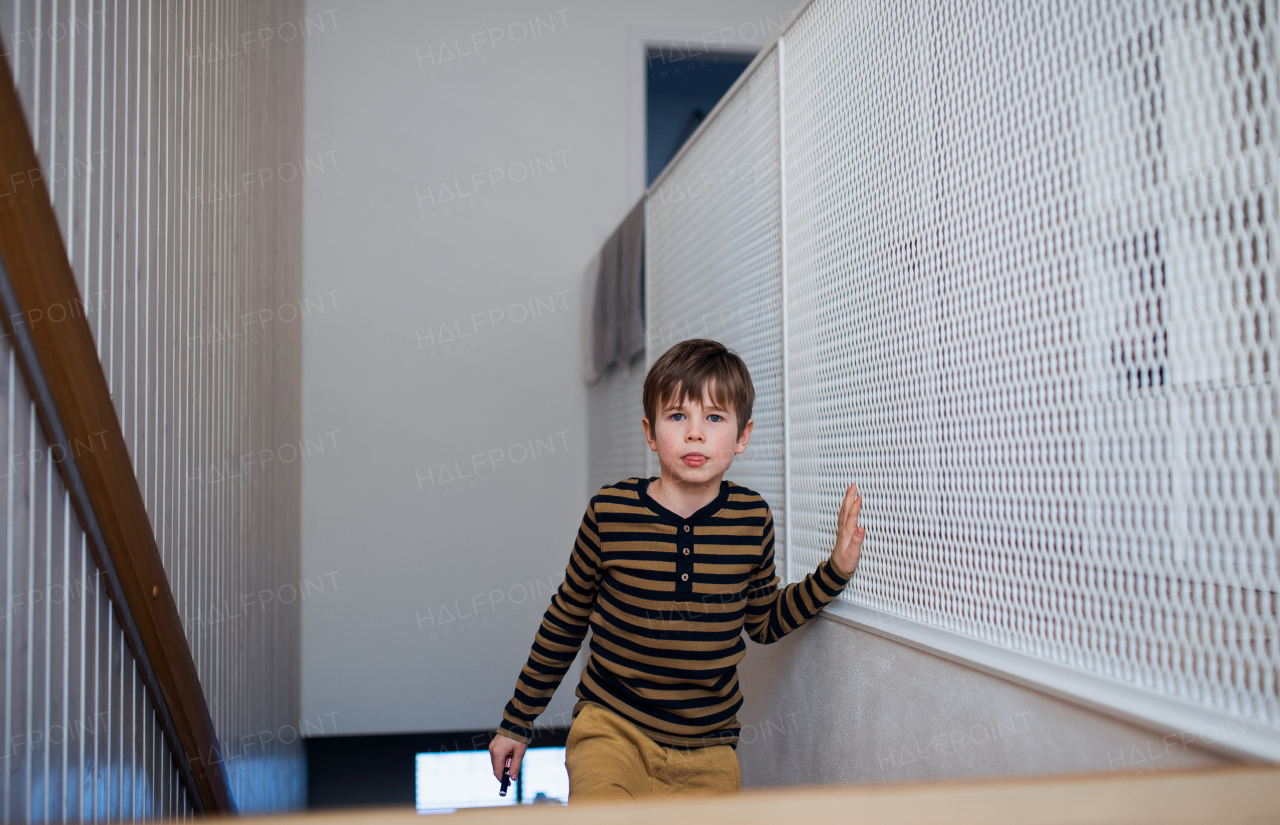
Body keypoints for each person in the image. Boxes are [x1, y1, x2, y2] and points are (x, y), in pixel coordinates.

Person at [489, 338, 865, 801]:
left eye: (714, 417)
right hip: (611, 726)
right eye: (677, 416)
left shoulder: (752, 519)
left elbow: (763, 622)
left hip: (707, 748)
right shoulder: (610, 511)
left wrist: (835, 572)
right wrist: (517, 721)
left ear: (742, 436)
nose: (695, 433)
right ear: (651, 433)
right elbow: (566, 622)